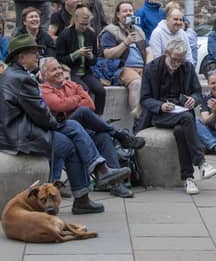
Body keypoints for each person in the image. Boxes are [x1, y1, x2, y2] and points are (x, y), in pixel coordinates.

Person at [0, 34, 129, 214]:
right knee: (70, 140)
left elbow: (39, 111)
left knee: (74, 129)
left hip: (19, 129)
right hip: (20, 135)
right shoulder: (21, 79)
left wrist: (58, 120)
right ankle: (92, 183)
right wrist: (58, 121)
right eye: (33, 53)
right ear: (21, 57)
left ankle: (98, 175)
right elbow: (40, 113)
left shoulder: (13, 74)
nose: (37, 56)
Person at [40, 57, 145, 198]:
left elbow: (90, 104)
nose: (59, 71)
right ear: (45, 75)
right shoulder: (44, 89)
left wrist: (70, 103)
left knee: (103, 136)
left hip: (82, 129)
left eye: (59, 67)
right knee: (82, 112)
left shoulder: (72, 85)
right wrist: (77, 99)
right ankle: (119, 135)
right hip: (63, 129)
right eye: (54, 69)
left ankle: (115, 183)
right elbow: (59, 105)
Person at [140, 39, 216, 195]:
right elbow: (145, 99)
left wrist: (193, 99)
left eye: (180, 60)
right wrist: (160, 106)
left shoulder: (187, 67)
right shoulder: (151, 69)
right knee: (187, 118)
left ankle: (188, 178)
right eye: (174, 59)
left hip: (181, 111)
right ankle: (201, 163)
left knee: (181, 131)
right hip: (160, 114)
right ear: (166, 54)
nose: (177, 63)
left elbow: (197, 93)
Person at [100, 2, 153, 113]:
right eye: (125, 11)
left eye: (130, 11)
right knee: (137, 83)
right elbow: (108, 54)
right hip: (123, 68)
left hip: (142, 68)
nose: (128, 13)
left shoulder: (138, 30)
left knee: (157, 81)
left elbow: (149, 52)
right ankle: (138, 119)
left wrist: (148, 66)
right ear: (118, 14)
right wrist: (126, 43)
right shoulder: (110, 31)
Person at [55, 6, 106, 115]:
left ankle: (98, 118)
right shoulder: (65, 35)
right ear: (75, 20)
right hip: (71, 71)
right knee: (84, 90)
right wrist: (77, 54)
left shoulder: (91, 34)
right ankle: (83, 117)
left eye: (87, 24)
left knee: (100, 91)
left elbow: (95, 60)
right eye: (82, 24)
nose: (84, 27)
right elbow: (59, 58)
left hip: (86, 72)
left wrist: (90, 56)